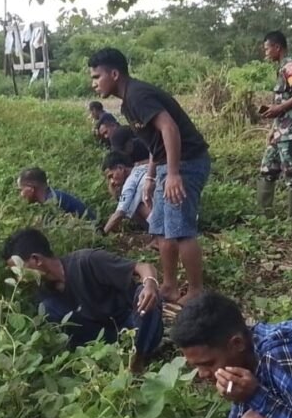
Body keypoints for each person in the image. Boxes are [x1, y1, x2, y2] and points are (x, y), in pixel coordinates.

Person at [89, 47, 210, 304]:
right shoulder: (128, 104)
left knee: (181, 229)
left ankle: (197, 291)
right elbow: (156, 143)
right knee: (161, 228)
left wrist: (175, 173)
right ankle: (169, 286)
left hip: (187, 162)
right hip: (168, 164)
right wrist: (153, 178)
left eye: (97, 77)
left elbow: (169, 128)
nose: (94, 84)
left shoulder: (138, 95)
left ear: (114, 73)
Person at [1, 228, 163, 362]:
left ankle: (138, 358)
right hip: (104, 340)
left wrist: (149, 284)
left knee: (147, 294)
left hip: (133, 325)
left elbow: (144, 267)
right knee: (48, 308)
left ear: (36, 259)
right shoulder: (44, 294)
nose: (18, 277)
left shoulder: (87, 261)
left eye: (18, 269)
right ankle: (109, 358)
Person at [259, 31, 292, 220]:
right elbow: (283, 100)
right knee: (267, 169)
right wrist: (273, 129)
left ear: (277, 47)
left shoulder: (290, 67)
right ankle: (265, 216)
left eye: (267, 48)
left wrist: (278, 108)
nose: (266, 53)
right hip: (280, 131)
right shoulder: (281, 69)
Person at [17, 167, 96, 220]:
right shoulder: (51, 196)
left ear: (31, 189)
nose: (20, 194)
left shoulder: (54, 201)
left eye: (21, 189)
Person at [101, 151, 151, 234]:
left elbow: (119, 214)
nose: (112, 182)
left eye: (111, 176)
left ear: (120, 168)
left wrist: (102, 235)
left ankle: (158, 235)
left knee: (133, 207)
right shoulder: (142, 167)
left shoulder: (130, 183)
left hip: (166, 213)